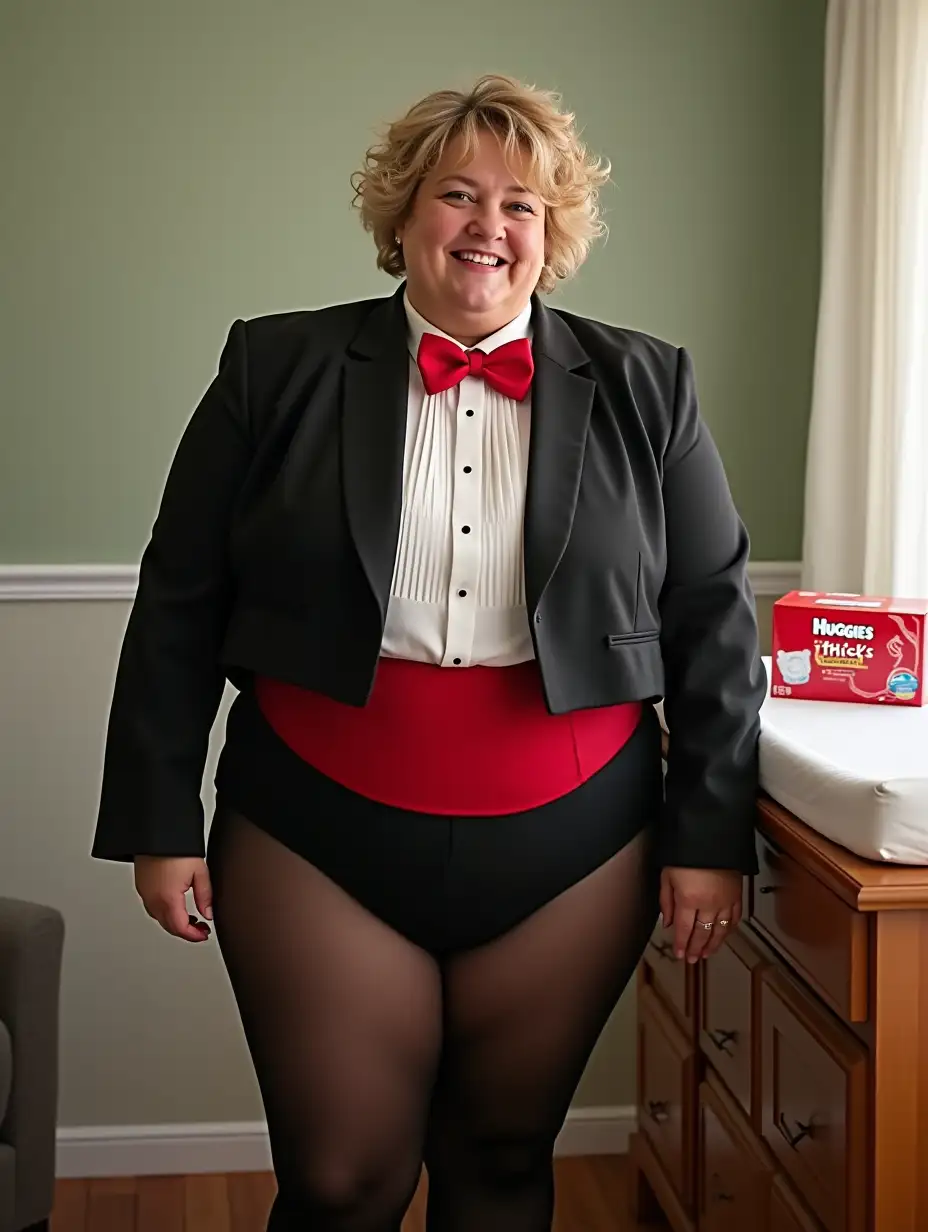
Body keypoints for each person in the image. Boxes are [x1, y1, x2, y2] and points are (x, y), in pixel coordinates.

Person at [91, 74, 766, 1232]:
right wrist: (158, 818)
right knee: (344, 1177)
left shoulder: (650, 384)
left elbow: (712, 616)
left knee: (499, 1164)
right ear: (401, 214)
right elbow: (178, 601)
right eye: (457, 195)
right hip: (313, 829)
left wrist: (708, 837)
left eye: (521, 206)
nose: (487, 228)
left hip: (578, 845)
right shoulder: (275, 368)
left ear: (551, 236)